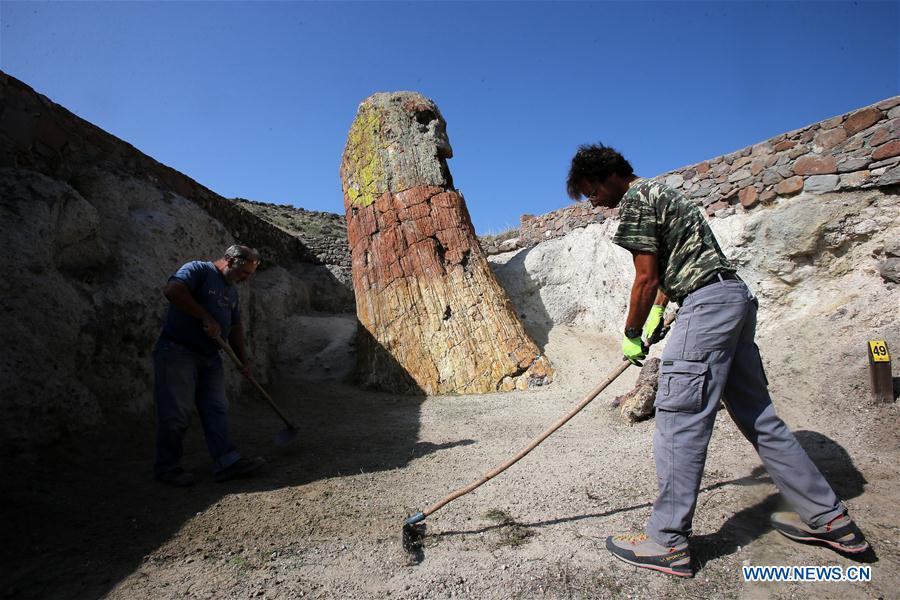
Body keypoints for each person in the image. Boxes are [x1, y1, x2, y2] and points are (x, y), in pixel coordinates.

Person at [566, 144, 868, 577]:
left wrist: (631, 333)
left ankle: (666, 541)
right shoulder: (666, 194)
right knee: (759, 417)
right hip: (733, 298)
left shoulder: (636, 199)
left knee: (679, 418)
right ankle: (829, 518)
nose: (591, 200)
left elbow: (646, 276)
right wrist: (658, 314)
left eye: (589, 189)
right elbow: (680, 267)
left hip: (707, 305)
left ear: (606, 175)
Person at [153, 244, 266, 486]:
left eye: (250, 274)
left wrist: (243, 362)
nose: (246, 278)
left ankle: (227, 462)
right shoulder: (198, 270)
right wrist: (205, 316)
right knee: (176, 413)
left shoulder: (232, 292)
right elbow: (172, 291)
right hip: (177, 352)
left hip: (210, 358)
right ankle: (167, 468)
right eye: (244, 272)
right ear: (229, 260)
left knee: (216, 409)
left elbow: (235, 329)